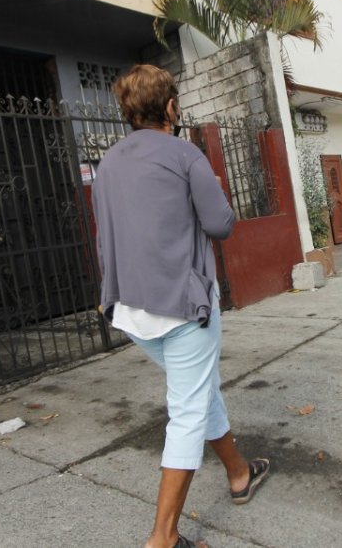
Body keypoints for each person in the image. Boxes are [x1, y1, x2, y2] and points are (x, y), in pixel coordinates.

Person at [93, 64, 270, 548]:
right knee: (189, 411)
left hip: (130, 311)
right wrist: (210, 182)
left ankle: (238, 474)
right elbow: (221, 224)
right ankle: (163, 538)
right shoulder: (184, 153)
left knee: (200, 390)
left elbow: (106, 234)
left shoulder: (107, 163)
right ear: (170, 107)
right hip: (184, 308)